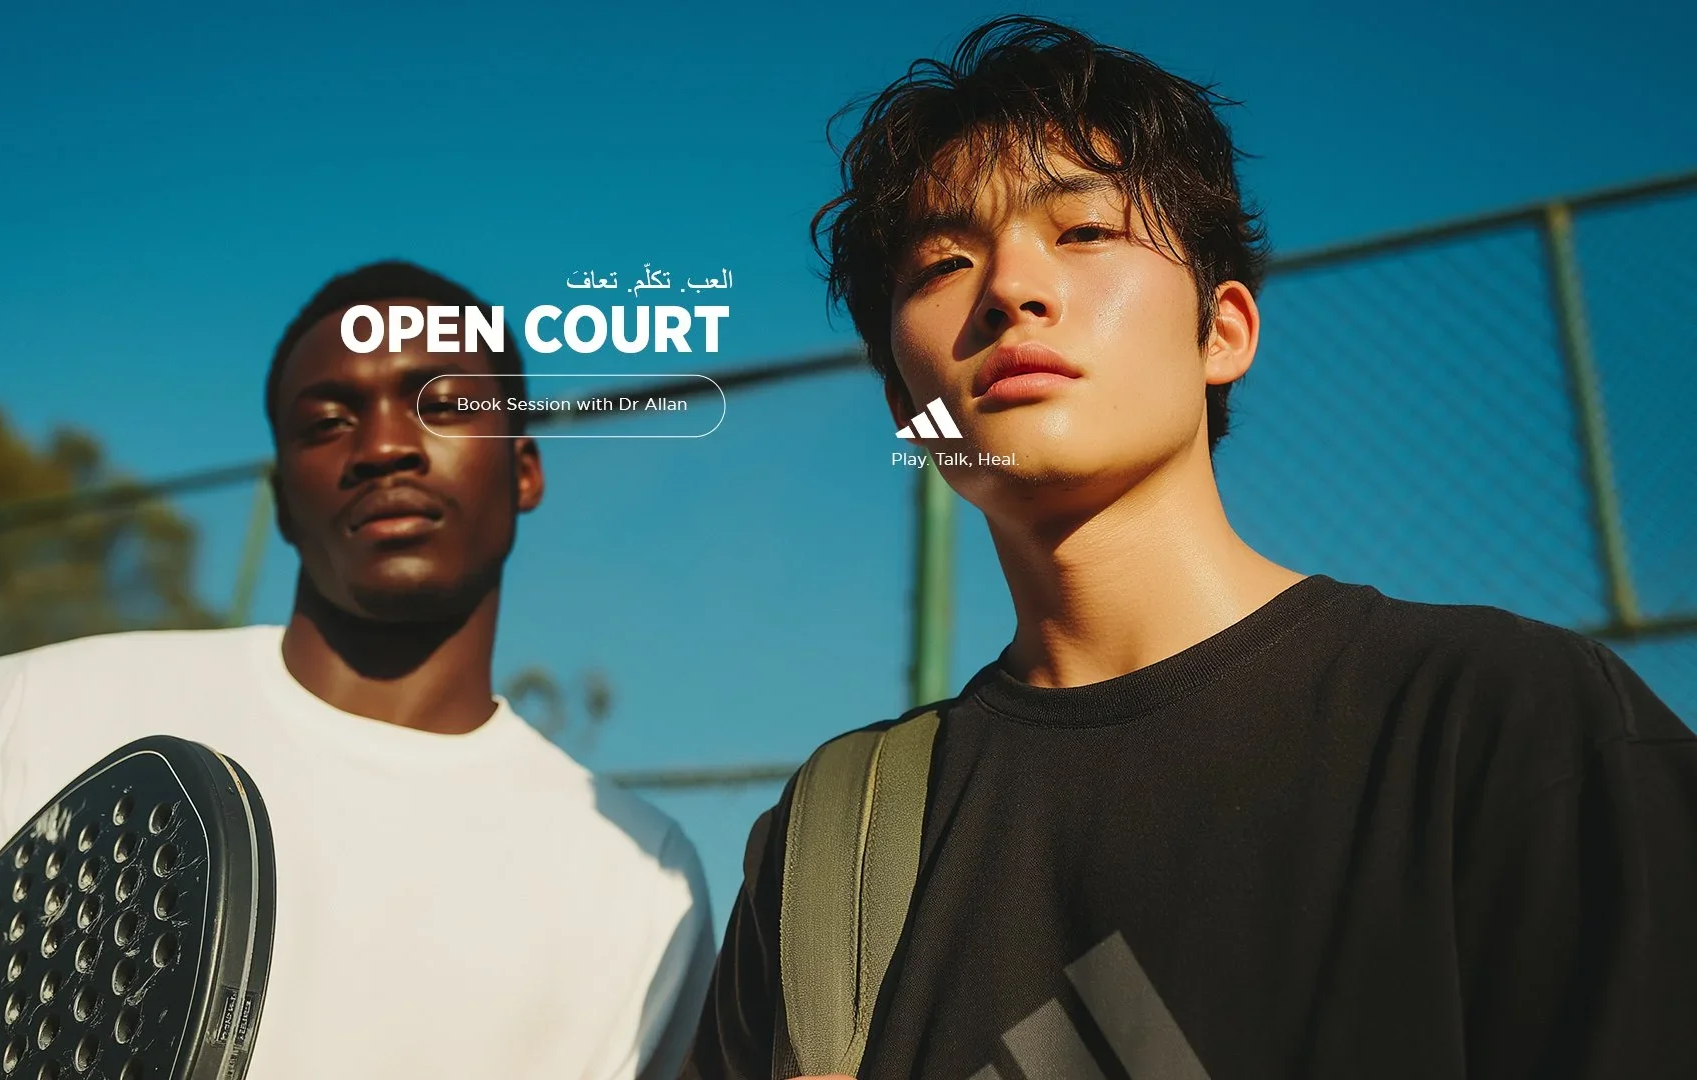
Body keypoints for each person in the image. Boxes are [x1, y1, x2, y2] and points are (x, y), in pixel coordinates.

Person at [683, 16, 1697, 1080]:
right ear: (905, 404)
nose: (1010, 291)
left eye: (1081, 233)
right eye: (943, 260)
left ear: (1225, 331)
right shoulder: (835, 848)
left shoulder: (1500, 725)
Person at [0, 260, 715, 1080]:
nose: (384, 446)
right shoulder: (38, 710)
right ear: (280, 500)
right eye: (328, 420)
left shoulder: (644, 879)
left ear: (524, 470)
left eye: (439, 404)